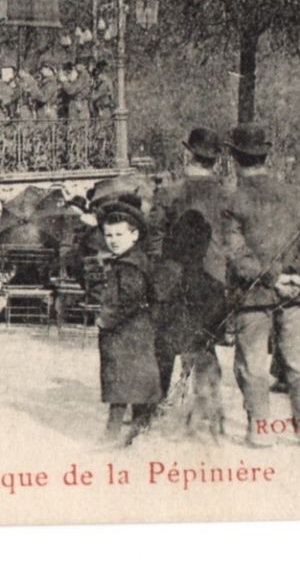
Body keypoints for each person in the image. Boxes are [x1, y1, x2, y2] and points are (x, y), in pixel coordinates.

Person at [219, 123, 300, 449]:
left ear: (234, 158)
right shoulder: (293, 194)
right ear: (266, 155)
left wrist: (271, 278)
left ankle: (260, 430)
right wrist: (297, 273)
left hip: (253, 294)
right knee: (298, 364)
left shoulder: (232, 202)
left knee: (252, 365)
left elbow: (236, 255)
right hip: (295, 293)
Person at [154, 128, 234, 406]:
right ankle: (206, 406)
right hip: (216, 279)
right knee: (205, 343)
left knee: (164, 342)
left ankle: (154, 406)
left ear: (188, 153)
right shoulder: (228, 195)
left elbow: (154, 235)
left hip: (176, 278)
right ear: (215, 160)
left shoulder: (171, 192)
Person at [94, 202, 167, 446]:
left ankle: (113, 435)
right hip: (135, 332)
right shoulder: (132, 259)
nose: (113, 240)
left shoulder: (129, 265)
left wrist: (106, 319)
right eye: (108, 235)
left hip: (125, 333)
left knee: (121, 385)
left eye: (119, 234)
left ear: (134, 235)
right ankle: (137, 433)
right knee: (136, 384)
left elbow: (129, 298)